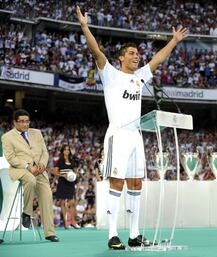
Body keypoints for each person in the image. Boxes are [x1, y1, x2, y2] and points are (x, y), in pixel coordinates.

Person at [76, 5, 188, 250]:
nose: (136, 56)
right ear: (121, 57)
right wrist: (84, 26)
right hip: (118, 134)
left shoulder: (139, 78)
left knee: (136, 184)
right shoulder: (111, 75)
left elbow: (158, 59)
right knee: (116, 183)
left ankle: (135, 235)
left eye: (137, 53)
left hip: (137, 136)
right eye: (131, 53)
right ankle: (113, 235)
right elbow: (96, 51)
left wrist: (174, 41)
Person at [1, 109, 59, 242]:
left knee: (47, 196)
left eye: (27, 121)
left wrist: (42, 165)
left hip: (39, 171)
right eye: (21, 121)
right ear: (15, 122)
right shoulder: (7, 137)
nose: (25, 124)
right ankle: (27, 213)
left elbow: (45, 152)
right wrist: (28, 166)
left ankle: (50, 233)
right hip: (20, 169)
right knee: (30, 179)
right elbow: (10, 157)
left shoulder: (37, 133)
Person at [53, 144, 80, 229]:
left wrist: (75, 175)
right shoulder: (60, 161)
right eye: (65, 149)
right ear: (62, 151)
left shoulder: (72, 161)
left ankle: (73, 222)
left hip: (70, 183)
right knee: (62, 202)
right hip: (62, 182)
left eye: (68, 149)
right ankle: (66, 223)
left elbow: (75, 171)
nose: (67, 151)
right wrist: (63, 175)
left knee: (72, 202)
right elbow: (55, 172)